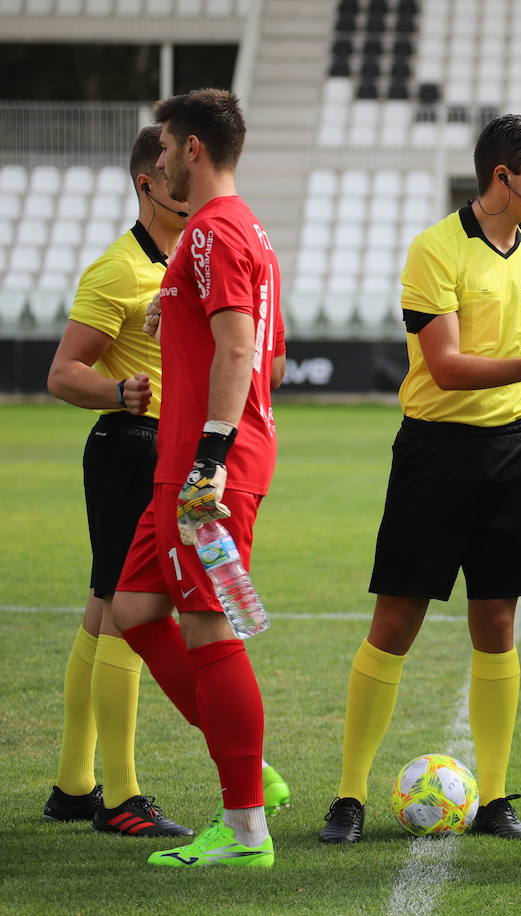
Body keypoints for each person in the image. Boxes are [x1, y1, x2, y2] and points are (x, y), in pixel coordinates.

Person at [319, 114, 521, 845]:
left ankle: (495, 798)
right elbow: (444, 365)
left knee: (497, 624)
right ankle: (348, 796)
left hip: (509, 456)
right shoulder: (435, 249)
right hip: (433, 453)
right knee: (396, 621)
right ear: (503, 176)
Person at [111, 88, 287, 868]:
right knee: (136, 608)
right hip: (183, 459)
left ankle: (246, 827)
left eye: (168, 145)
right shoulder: (232, 231)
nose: (161, 159)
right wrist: (168, 309)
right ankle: (247, 766)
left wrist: (210, 462)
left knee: (208, 624)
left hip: (205, 465)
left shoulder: (216, 231)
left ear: (190, 148)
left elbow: (242, 350)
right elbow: (242, 328)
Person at [42, 126, 193, 839]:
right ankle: (121, 798)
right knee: (129, 612)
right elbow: (63, 372)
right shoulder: (116, 270)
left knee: (105, 607)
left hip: (158, 451)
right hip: (129, 447)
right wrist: (120, 390)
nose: (190, 186)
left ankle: (76, 786)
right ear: (148, 184)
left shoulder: (185, 258)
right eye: (176, 174)